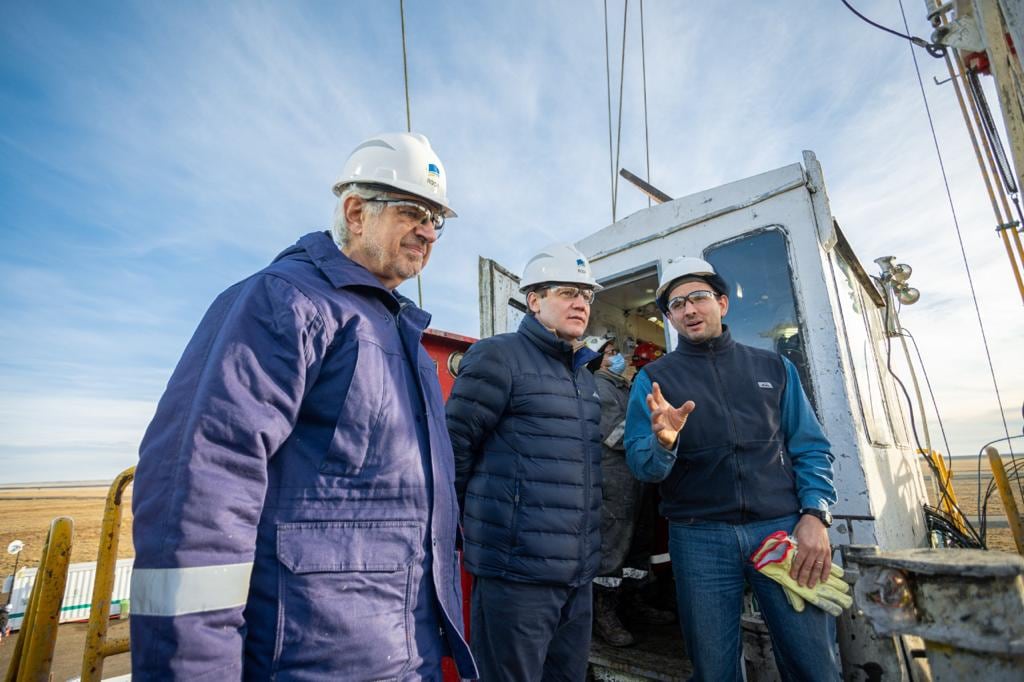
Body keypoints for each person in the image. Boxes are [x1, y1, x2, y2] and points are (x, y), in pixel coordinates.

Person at [130, 132, 477, 681]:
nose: (429, 231)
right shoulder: (286, 301)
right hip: (313, 659)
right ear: (356, 212)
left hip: (406, 654)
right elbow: (201, 488)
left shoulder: (394, 329)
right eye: (414, 210)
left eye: (438, 218)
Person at [624, 256, 839, 681]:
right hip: (699, 538)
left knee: (814, 663)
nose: (688, 310)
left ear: (722, 303)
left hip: (780, 529)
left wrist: (815, 514)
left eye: (698, 298)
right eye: (676, 305)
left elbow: (811, 447)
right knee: (713, 668)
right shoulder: (654, 380)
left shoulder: (775, 368)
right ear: (669, 318)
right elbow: (642, 467)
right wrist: (664, 443)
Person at [446, 243, 604, 681]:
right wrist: (479, 533)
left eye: (587, 294)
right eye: (568, 291)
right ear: (534, 300)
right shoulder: (498, 356)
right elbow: (452, 450)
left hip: (577, 576)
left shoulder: (584, 378)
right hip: (516, 577)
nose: (580, 302)